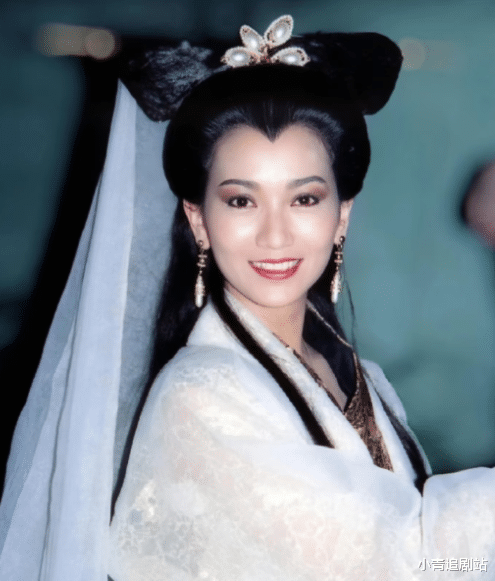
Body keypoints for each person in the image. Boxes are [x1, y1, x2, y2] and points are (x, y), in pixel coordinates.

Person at [0, 15, 494, 581]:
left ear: (342, 215)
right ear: (198, 220)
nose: (275, 236)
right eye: (241, 201)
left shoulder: (349, 370)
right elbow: (392, 563)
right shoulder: (201, 397)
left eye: (304, 199)